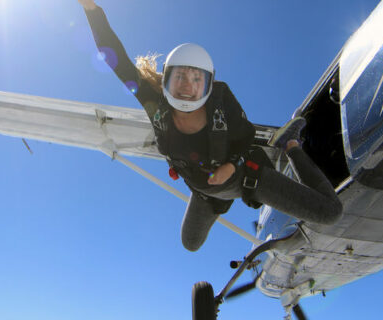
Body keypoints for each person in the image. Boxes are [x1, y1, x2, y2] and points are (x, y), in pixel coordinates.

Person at [78, 0, 343, 251]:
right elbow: (116, 60)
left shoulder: (221, 100)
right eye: (180, 76)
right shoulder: (155, 106)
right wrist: (91, 8)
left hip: (249, 178)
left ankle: (290, 144)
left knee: (330, 212)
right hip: (206, 193)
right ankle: (216, 198)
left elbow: (246, 137)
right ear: (166, 79)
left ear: (208, 84)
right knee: (190, 243)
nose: (187, 86)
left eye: (197, 79)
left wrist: (232, 165)